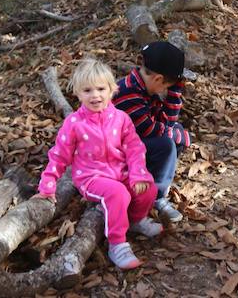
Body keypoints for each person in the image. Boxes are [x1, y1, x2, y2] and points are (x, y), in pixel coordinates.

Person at [35, 59, 162, 270]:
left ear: (112, 90)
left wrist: (138, 174)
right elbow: (59, 155)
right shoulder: (75, 123)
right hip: (91, 177)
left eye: (101, 89)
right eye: (87, 90)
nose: (95, 95)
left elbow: (134, 148)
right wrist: (48, 183)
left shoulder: (121, 118)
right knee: (118, 194)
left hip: (120, 172)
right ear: (77, 93)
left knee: (149, 189)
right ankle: (117, 244)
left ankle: (135, 220)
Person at [113, 41, 190, 223]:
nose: (165, 91)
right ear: (158, 79)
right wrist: (174, 135)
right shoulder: (128, 93)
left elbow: (167, 121)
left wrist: (175, 92)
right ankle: (157, 195)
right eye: (167, 87)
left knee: (175, 133)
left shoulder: (144, 88)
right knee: (167, 144)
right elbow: (151, 130)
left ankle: (154, 177)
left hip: (134, 144)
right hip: (114, 153)